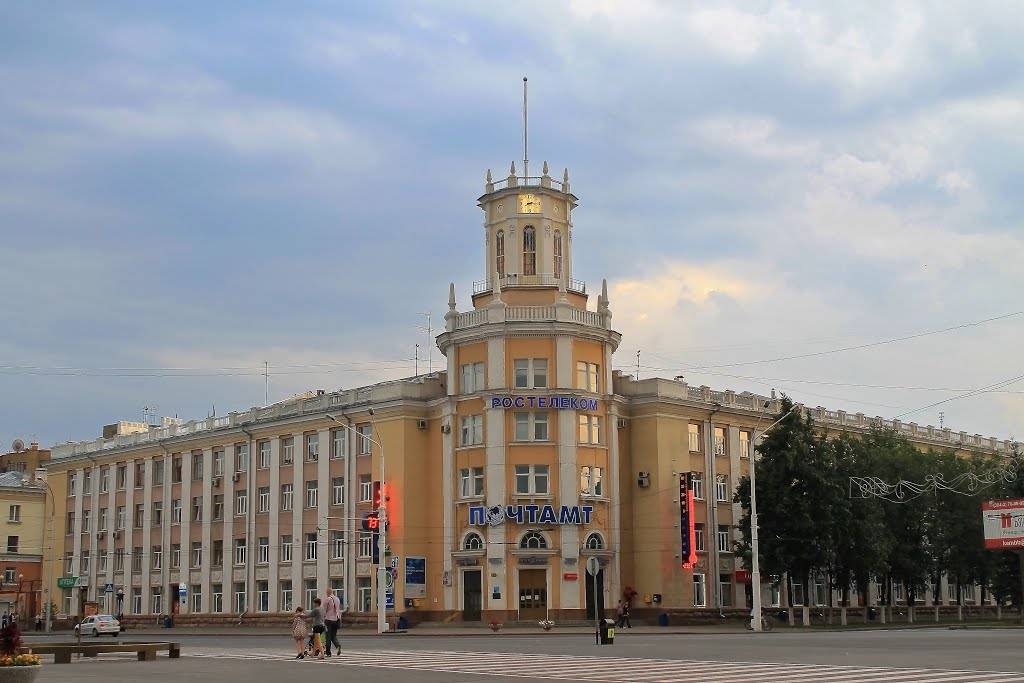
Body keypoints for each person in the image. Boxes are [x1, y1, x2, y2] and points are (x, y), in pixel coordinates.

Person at [322, 588, 342, 657]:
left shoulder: (328, 599)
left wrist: (323, 618)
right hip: (336, 619)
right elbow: (338, 609)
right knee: (333, 635)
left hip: (328, 620)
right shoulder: (337, 599)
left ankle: (328, 652)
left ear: (327, 592)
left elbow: (324, 610)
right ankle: (338, 645)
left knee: (328, 636)